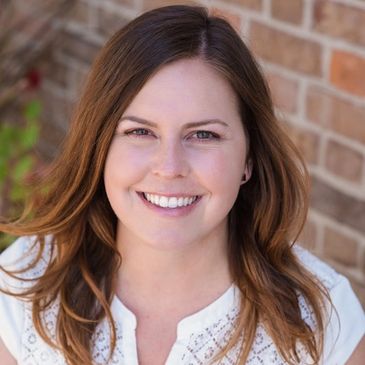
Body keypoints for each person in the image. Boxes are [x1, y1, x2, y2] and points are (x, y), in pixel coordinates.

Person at [0, 4, 364, 365]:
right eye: (140, 131)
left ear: (248, 158)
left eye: (203, 134)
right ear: (99, 146)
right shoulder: (25, 282)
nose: (169, 167)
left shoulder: (323, 320)